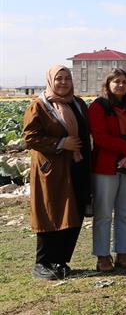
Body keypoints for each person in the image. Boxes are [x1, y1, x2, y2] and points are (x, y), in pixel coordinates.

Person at [23, 65, 91, 280]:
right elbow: (30, 138)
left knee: (74, 211)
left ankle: (60, 260)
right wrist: (62, 143)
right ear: (51, 80)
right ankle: (42, 262)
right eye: (59, 79)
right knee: (50, 211)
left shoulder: (78, 104)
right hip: (51, 169)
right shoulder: (39, 106)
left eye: (67, 78)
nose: (63, 83)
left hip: (76, 166)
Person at [88, 68, 126, 272]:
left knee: (125, 212)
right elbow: (100, 136)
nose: (121, 85)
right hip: (106, 166)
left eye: (124, 82)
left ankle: (122, 253)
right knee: (103, 213)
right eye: (116, 82)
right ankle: (102, 257)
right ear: (108, 84)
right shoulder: (98, 106)